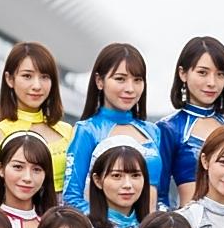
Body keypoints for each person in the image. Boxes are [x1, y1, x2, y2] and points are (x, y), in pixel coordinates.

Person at [63, 43, 163, 212]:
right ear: (99, 81)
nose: (130, 89)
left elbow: (161, 195)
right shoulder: (87, 130)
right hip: (103, 227)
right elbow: (71, 198)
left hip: (149, 227)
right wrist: (111, 223)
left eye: (137, 80)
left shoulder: (152, 131)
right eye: (120, 79)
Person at [156, 36, 224, 206]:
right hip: (187, 221)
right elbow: (159, 196)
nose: (212, 83)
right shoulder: (169, 128)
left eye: (220, 74)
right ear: (183, 73)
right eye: (202, 73)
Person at [0, 42, 73, 201]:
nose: (37, 86)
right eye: (27, 76)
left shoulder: (67, 131)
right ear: (9, 79)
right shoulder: (0, 133)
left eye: (44, 77)